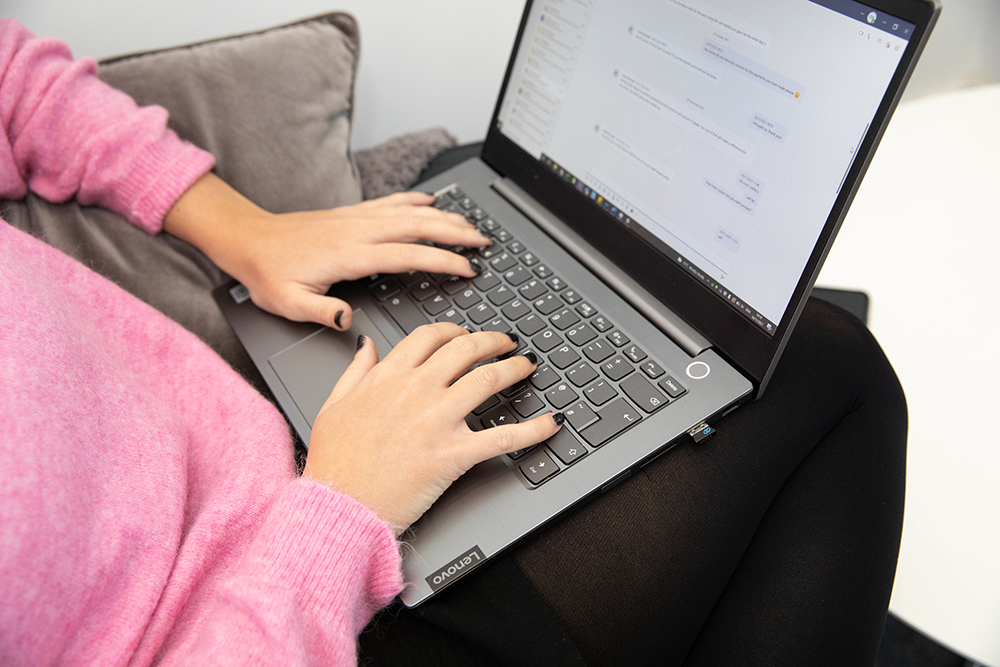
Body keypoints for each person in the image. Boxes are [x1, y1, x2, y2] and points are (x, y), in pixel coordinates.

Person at [0, 19, 907, 666]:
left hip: (250, 452)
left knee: (471, 186)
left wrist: (245, 229)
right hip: (295, 607)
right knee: (837, 369)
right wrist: (340, 512)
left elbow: (18, 86)